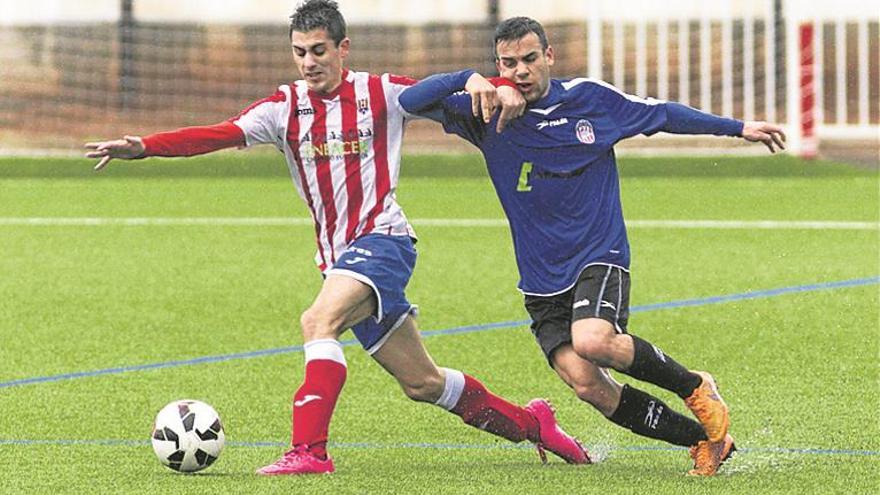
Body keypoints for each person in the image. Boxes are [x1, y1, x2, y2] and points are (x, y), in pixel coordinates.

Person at [85, 2, 589, 476]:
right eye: (300, 52)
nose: (309, 62)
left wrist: (498, 84)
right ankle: (532, 424)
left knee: (317, 320)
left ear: (343, 49)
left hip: (384, 241)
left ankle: (309, 450)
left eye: (319, 50)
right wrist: (145, 147)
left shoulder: (382, 93)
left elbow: (448, 95)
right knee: (423, 383)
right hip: (339, 258)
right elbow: (216, 135)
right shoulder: (283, 107)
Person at [399, 16, 786, 476]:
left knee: (594, 340)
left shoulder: (589, 99)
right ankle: (705, 441)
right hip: (541, 277)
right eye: (508, 63)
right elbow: (409, 100)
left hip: (596, 255)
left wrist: (738, 127)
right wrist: (470, 78)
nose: (520, 71)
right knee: (588, 386)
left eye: (529, 59)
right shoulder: (485, 111)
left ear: (549, 57)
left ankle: (695, 386)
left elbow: (662, 113)